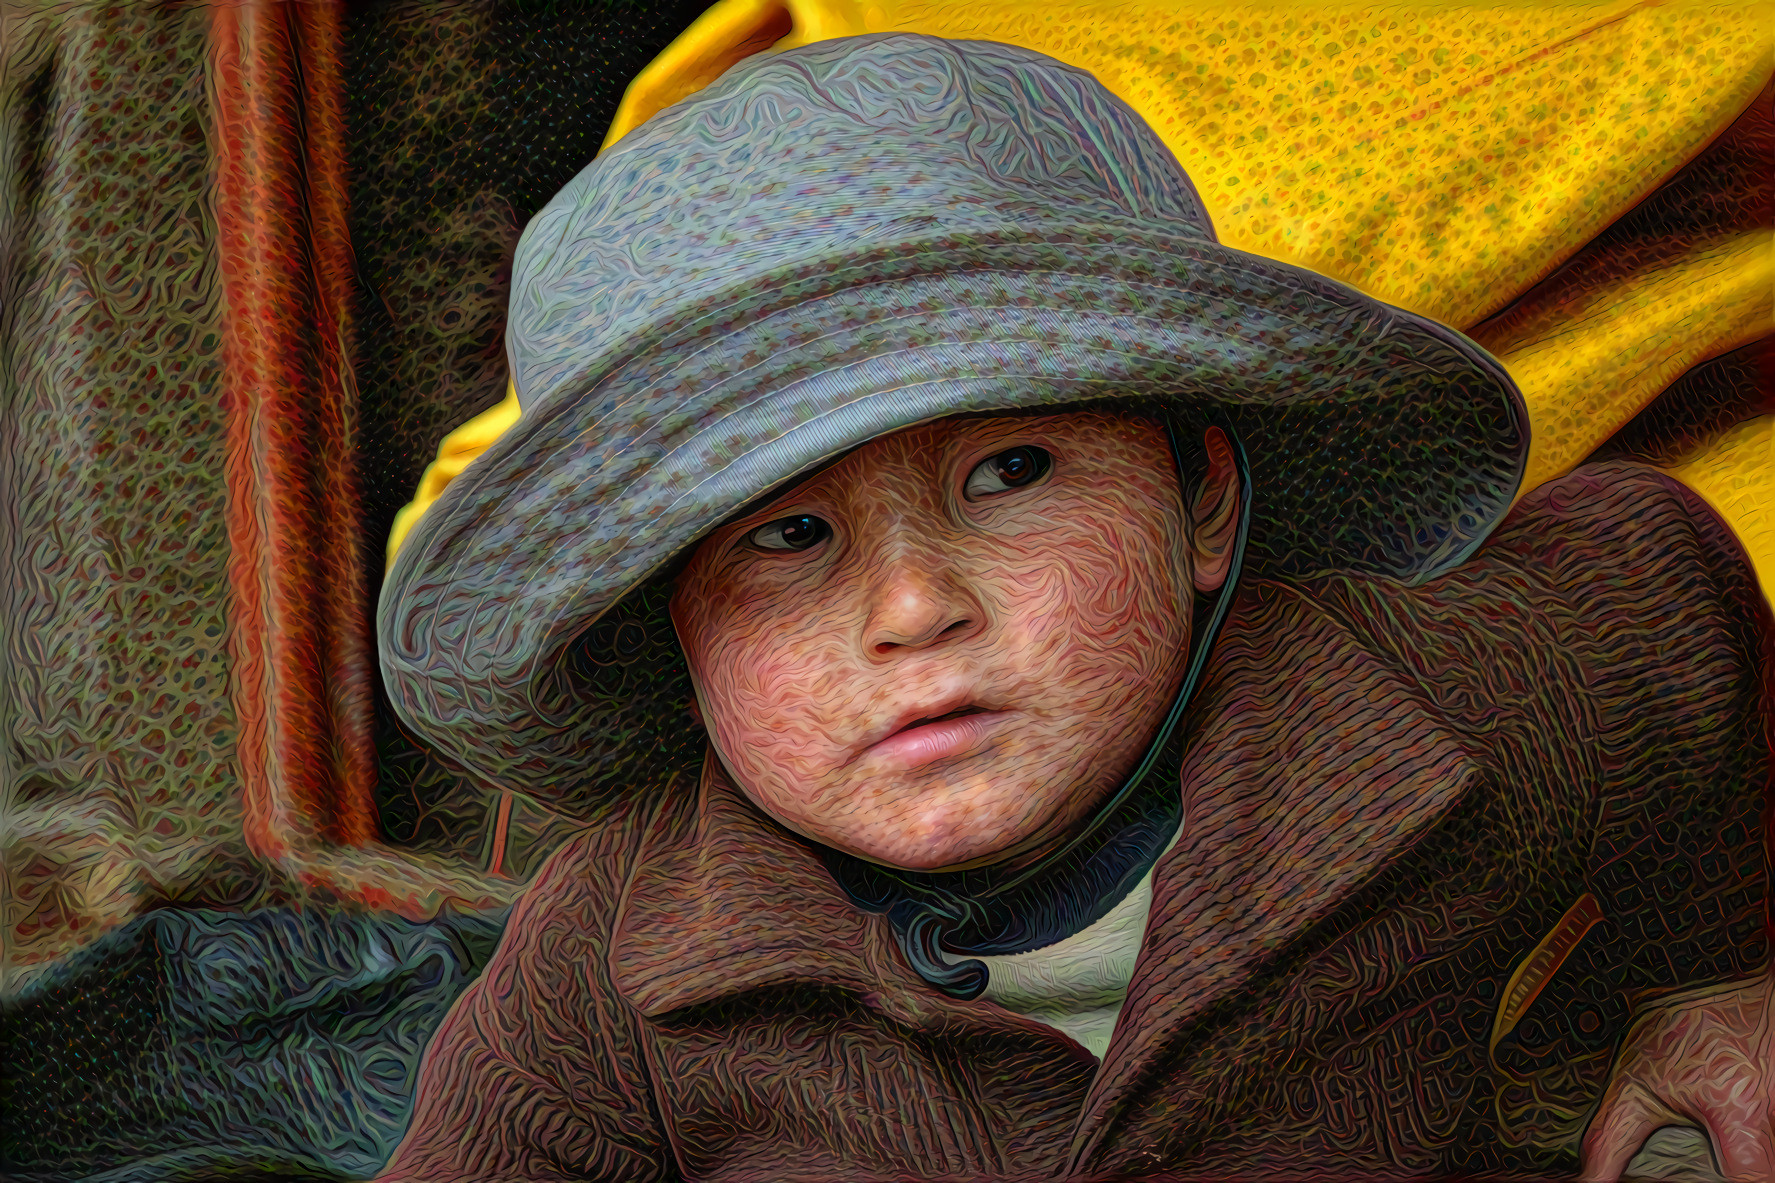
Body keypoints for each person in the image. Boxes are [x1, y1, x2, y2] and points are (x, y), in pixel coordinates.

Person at [375, 35, 1773, 1181]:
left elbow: (1668, 594)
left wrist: (1710, 981)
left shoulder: (1439, 706)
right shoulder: (620, 958)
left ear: (1201, 503)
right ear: (670, 638)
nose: (915, 607)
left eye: (1010, 472)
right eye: (791, 537)